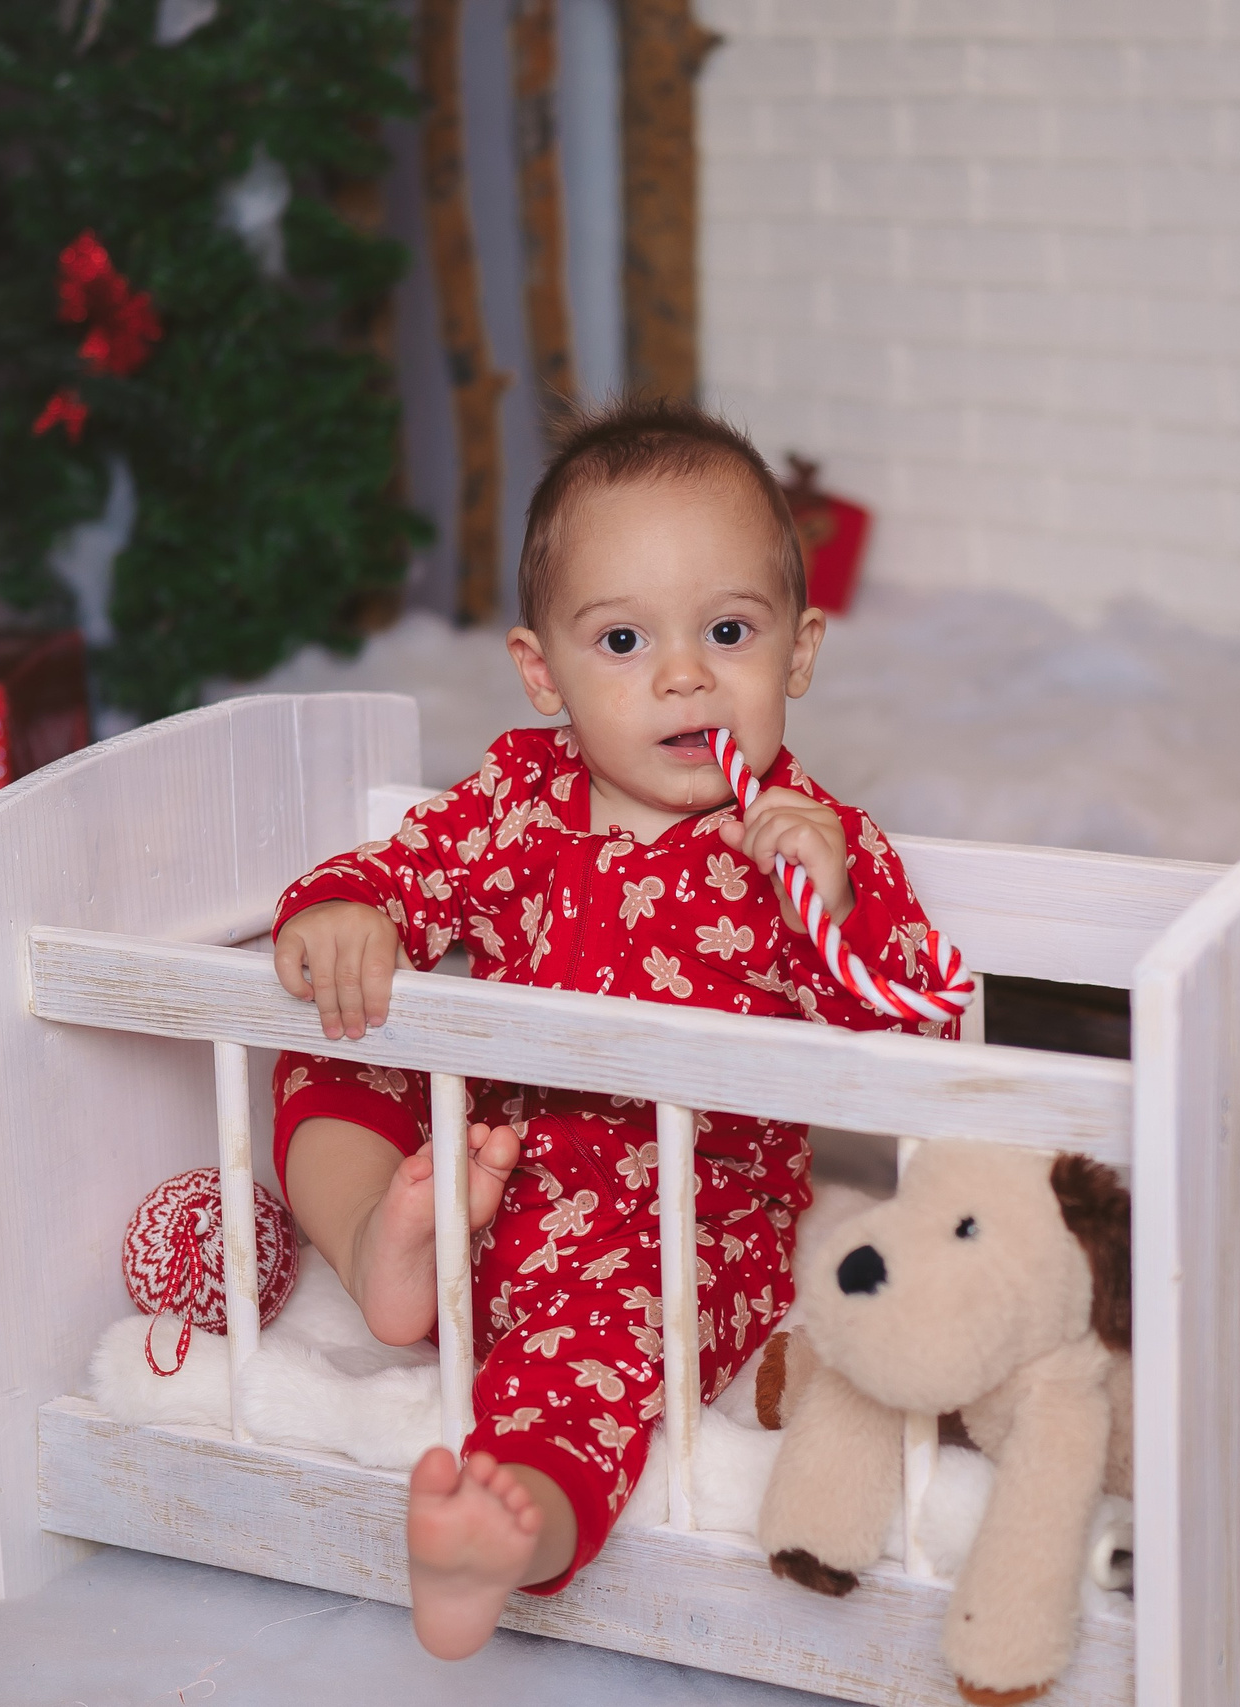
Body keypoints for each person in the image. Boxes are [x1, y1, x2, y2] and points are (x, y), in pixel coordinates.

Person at [267, 398, 953, 1658]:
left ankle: (508, 1527)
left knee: (595, 1346)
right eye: (626, 639)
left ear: (798, 653)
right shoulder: (516, 795)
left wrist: (835, 905)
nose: (684, 675)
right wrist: (353, 908)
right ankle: (384, 1247)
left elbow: (909, 1018)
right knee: (330, 1041)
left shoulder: (801, 839)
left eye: (729, 632)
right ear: (545, 671)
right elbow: (410, 870)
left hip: (677, 1209)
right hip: (483, 1162)